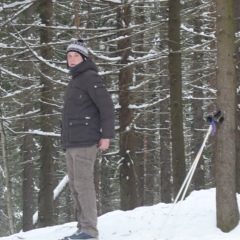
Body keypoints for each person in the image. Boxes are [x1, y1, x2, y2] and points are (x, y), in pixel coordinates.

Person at [61, 39, 115, 240]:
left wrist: (106, 136)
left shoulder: (90, 77)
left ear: (84, 58)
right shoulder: (75, 80)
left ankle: (89, 231)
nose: (72, 59)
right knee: (76, 186)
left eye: (76, 56)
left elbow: (107, 107)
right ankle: (82, 228)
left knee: (83, 185)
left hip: (85, 141)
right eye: (69, 56)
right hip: (72, 142)